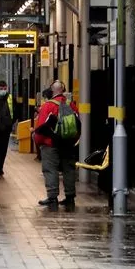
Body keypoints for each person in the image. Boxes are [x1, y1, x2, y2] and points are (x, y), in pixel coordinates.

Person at [33, 80, 81, 209]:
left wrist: (39, 143)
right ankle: (70, 197)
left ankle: (52, 197)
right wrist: (73, 140)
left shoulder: (48, 106)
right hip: (68, 143)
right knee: (69, 169)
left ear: (53, 90)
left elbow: (41, 127)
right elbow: (78, 124)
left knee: (50, 169)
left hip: (51, 144)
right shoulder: (71, 105)